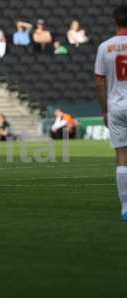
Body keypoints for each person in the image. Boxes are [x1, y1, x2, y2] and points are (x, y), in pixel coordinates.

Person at [95, 4, 127, 221]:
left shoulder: (104, 47)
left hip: (116, 107)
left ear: (115, 21)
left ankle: (126, 208)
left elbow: (99, 81)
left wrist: (104, 110)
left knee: (122, 156)